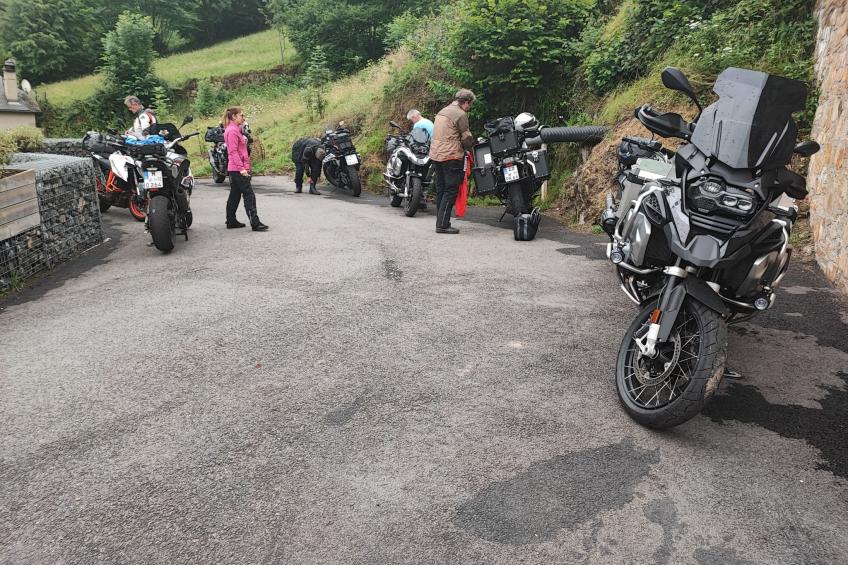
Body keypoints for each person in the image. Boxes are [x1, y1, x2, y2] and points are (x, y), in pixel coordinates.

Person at [429, 89, 475, 234]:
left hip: (436, 155)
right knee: (451, 190)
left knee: (442, 189)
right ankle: (443, 225)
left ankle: (440, 222)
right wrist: (470, 147)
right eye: (470, 105)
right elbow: (466, 137)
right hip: (451, 156)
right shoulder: (460, 114)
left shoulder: (442, 111)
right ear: (466, 102)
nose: (469, 108)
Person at [223, 107, 268, 231]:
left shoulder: (235, 129)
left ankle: (231, 220)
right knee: (249, 194)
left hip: (236, 168)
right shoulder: (232, 131)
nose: (243, 117)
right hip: (238, 168)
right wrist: (241, 169)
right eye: (241, 115)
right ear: (234, 116)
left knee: (235, 194)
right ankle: (255, 222)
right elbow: (232, 151)